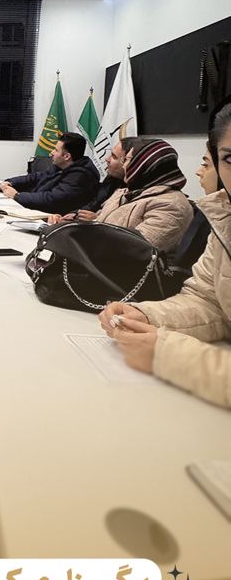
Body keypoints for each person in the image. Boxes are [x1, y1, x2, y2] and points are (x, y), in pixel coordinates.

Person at [100, 97, 231, 409]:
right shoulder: (225, 219)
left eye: (127, 159)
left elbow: (132, 247)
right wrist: (147, 314)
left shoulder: (171, 203)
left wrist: (171, 355)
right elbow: (208, 301)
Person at [93, 138, 193, 250]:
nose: (124, 166)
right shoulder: (124, 193)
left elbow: (137, 249)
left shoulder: (171, 206)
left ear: (144, 164)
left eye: (127, 160)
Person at [0, 131, 99, 213]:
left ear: (67, 156)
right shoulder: (61, 166)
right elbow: (37, 177)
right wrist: (10, 182)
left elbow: (51, 199)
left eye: (56, 150)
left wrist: (17, 196)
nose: (51, 153)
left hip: (54, 218)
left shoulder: (80, 176)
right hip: (38, 210)